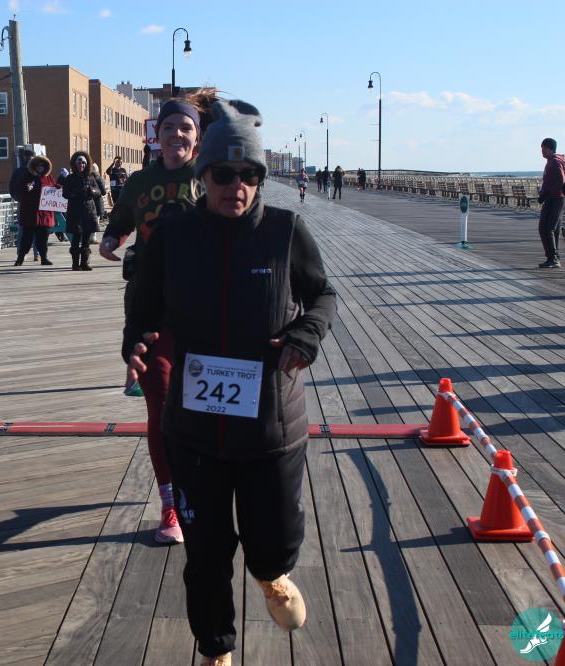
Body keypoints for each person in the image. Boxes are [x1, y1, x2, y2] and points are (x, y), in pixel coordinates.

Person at [124, 99, 337, 665]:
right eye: (223, 174)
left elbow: (322, 295)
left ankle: (271, 574)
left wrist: (306, 334)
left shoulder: (285, 232)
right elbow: (142, 307)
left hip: (271, 427)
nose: (235, 187)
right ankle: (215, 650)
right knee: (206, 556)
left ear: (260, 180)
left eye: (249, 175)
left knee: (275, 539)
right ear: (203, 176)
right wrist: (136, 341)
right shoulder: (173, 236)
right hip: (195, 430)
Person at [99, 95, 211, 544]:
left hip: (203, 307)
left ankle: (208, 484)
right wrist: (111, 238)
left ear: (197, 137)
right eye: (168, 128)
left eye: (186, 128)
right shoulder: (141, 181)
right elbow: (123, 217)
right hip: (150, 304)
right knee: (160, 404)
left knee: (202, 405)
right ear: (156, 135)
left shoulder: (209, 176)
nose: (176, 135)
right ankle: (171, 503)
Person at [61, 151, 104, 271]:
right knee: (76, 237)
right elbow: (65, 193)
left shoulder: (90, 177)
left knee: (86, 237)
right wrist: (75, 193)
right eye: (79, 163)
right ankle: (75, 264)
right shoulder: (70, 178)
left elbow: (99, 192)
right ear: (75, 164)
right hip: (75, 210)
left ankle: (84, 263)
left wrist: (92, 191)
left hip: (89, 210)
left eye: (84, 163)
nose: (81, 165)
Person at [14, 155, 56, 266]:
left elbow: (55, 187)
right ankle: (20, 258)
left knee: (43, 238)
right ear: (34, 166)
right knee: (26, 238)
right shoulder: (27, 177)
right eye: (38, 165)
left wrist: (58, 188)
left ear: (45, 167)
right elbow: (18, 191)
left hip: (44, 214)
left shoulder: (49, 177)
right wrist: (26, 188)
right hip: (30, 214)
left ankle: (44, 258)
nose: (40, 167)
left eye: (42, 165)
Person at [537, 138, 565, 268]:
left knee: (547, 228)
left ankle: (553, 259)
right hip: (553, 198)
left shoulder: (555, 162)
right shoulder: (551, 161)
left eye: (544, 148)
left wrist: (546, 194)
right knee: (551, 229)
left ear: (550, 149)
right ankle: (554, 257)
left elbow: (561, 181)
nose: (542, 151)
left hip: (556, 199)